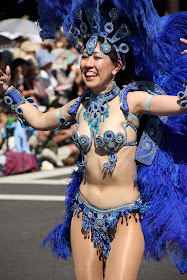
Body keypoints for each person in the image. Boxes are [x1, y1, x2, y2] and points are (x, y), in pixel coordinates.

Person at [1, 0, 187, 279]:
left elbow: (181, 104)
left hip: (126, 217)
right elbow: (39, 120)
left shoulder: (132, 101)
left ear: (116, 66)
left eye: (97, 58)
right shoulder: (78, 106)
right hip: (83, 215)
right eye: (85, 57)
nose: (87, 63)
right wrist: (9, 91)